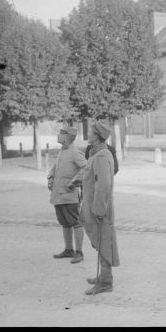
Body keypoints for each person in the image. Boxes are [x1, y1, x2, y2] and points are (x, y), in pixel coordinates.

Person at [80, 120, 119, 295]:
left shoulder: (102, 156)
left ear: (97, 136)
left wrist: (99, 210)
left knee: (104, 243)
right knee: (99, 242)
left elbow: (103, 186)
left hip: (99, 209)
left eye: (90, 132)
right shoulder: (96, 154)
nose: (87, 134)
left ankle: (105, 282)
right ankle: (104, 277)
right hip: (93, 206)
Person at [47, 125, 87, 263]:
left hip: (69, 196)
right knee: (65, 223)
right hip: (58, 195)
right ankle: (69, 250)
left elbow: (86, 168)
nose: (59, 136)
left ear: (69, 137)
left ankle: (79, 252)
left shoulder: (75, 152)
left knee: (76, 223)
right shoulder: (62, 151)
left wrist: (74, 182)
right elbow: (55, 167)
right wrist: (50, 177)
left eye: (62, 134)